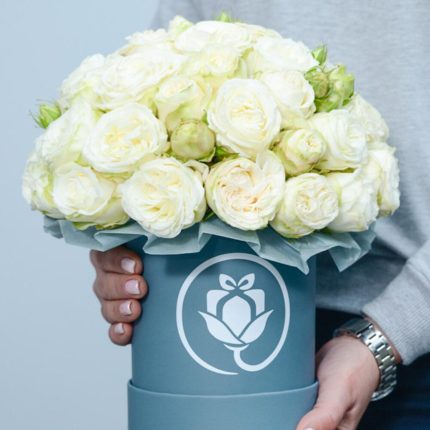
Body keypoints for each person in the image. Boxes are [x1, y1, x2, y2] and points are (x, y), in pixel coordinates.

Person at [90, 1, 430, 429]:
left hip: (414, 338)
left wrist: (386, 335)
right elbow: (158, 97)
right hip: (218, 314)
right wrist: (131, 253)